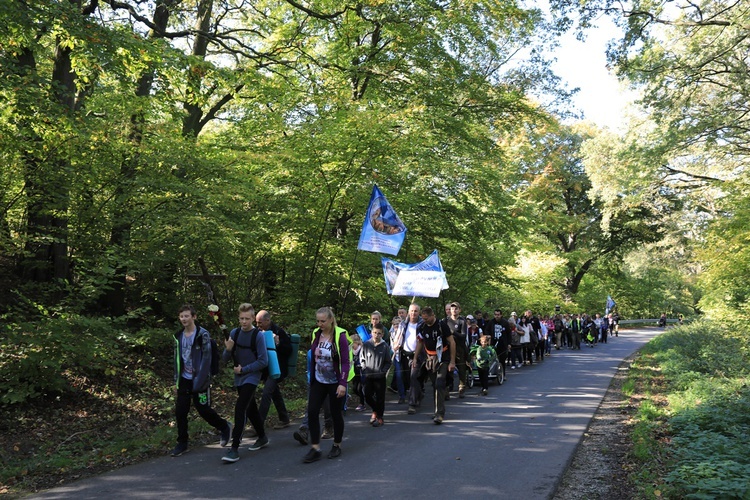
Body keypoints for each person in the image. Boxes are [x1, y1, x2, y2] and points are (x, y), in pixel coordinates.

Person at [171, 304, 231, 457]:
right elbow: (177, 360)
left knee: (203, 409)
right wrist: (176, 381)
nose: (184, 319)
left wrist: (199, 382)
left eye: (187, 316)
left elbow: (206, 359)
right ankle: (182, 442)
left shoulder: (202, 335)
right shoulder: (178, 336)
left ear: (194, 317)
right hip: (184, 379)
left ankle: (224, 427)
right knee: (180, 411)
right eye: (182, 316)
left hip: (200, 380)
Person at [221, 303, 270, 463]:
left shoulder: (258, 336)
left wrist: (245, 369)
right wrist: (228, 349)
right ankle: (262, 437)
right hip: (239, 377)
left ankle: (234, 448)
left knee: (240, 407)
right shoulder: (234, 333)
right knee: (251, 409)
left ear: (252, 318)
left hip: (252, 376)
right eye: (241, 318)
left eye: (247, 319)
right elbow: (224, 359)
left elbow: (263, 361)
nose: (244, 322)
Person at [303, 307, 352, 463]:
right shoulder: (316, 334)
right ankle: (315, 448)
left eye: (323, 321)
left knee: (335, 413)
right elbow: (313, 357)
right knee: (312, 411)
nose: (320, 324)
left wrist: (342, 384)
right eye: (318, 321)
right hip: (319, 380)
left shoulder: (340, 336)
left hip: (335, 382)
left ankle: (336, 444)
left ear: (331, 320)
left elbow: (345, 362)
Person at [408, 306, 456, 424]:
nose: (425, 321)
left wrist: (452, 361)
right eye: (423, 318)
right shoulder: (422, 326)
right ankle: (436, 410)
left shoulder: (441, 325)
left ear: (432, 315)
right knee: (435, 384)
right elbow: (420, 342)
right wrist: (415, 358)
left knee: (440, 383)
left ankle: (440, 414)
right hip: (429, 358)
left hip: (443, 358)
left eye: (427, 319)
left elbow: (452, 342)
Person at [256, 310, 293, 431]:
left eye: (260, 323)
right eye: (256, 323)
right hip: (265, 369)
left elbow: (289, 350)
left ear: (268, 320)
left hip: (277, 369)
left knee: (267, 392)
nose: (258, 325)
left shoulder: (279, 331)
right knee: (275, 393)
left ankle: (258, 424)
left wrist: (278, 343)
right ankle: (284, 418)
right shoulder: (257, 332)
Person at [360, 323, 392, 427]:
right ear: (371, 333)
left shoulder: (385, 346)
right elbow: (362, 358)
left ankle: (380, 417)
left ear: (382, 334)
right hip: (368, 376)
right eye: (374, 333)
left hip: (380, 377)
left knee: (380, 398)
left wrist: (383, 371)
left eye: (379, 333)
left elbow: (388, 361)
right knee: (367, 395)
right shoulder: (366, 344)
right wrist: (364, 369)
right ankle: (375, 409)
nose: (376, 335)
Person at [395, 303, 422, 403]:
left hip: (418, 355)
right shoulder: (403, 324)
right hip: (405, 354)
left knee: (413, 377)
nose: (413, 313)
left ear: (419, 312)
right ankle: (419, 394)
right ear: (408, 312)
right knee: (408, 378)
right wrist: (395, 344)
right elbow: (397, 337)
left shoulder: (422, 324)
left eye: (415, 311)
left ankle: (412, 403)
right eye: (411, 311)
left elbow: (422, 341)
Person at [442, 302, 469, 398]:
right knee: (447, 369)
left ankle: (462, 387)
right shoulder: (445, 321)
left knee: (461, 369)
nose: (454, 310)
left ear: (459, 310)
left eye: (456, 308)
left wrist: (453, 332)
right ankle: (447, 389)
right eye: (452, 308)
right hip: (448, 348)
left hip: (459, 348)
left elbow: (463, 336)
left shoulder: (462, 321)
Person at [485, 309, 510, 379]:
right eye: (495, 315)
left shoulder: (505, 322)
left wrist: (509, 344)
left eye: (498, 315)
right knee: (492, 360)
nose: (497, 316)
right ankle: (492, 373)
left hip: (502, 344)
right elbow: (486, 330)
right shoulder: (491, 322)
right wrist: (488, 335)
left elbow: (509, 333)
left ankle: (503, 374)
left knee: (502, 360)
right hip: (493, 344)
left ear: (501, 315)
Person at [350, 334, 366, 411]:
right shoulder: (351, 351)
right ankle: (364, 398)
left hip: (361, 372)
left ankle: (362, 404)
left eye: (352, 343)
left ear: (357, 342)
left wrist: (359, 364)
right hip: (354, 373)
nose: (351, 345)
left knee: (360, 388)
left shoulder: (362, 350)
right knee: (355, 389)